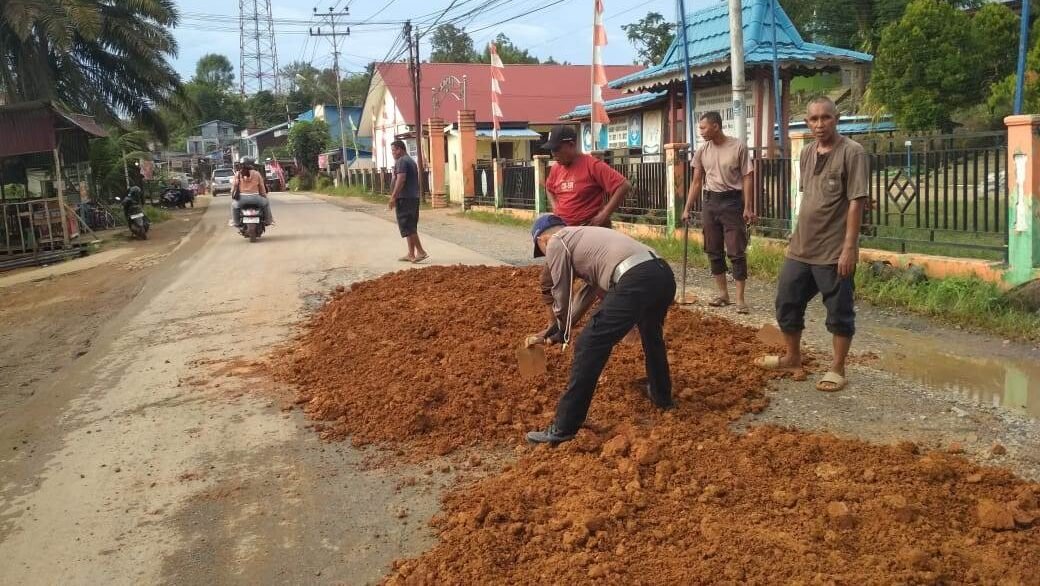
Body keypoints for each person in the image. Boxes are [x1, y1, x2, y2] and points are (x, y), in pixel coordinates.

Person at [525, 214, 676, 445]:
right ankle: (661, 394)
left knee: (589, 343)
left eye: (541, 252)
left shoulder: (557, 240)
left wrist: (562, 332)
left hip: (635, 278)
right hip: (661, 273)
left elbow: (561, 291)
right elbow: (585, 297)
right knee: (650, 332)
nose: (546, 258)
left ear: (542, 240)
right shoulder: (585, 240)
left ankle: (564, 427)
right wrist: (553, 331)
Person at [755, 97, 868, 393]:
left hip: (833, 250)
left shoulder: (852, 153)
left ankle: (837, 367)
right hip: (801, 247)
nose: (819, 124)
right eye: (814, 119)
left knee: (839, 309)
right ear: (807, 123)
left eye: (825, 118)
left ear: (836, 118)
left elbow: (856, 202)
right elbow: (810, 197)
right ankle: (793, 357)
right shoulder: (806, 152)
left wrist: (850, 247)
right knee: (787, 302)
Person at [537, 125, 633, 337]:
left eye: (557, 149)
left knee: (602, 285)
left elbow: (623, 185)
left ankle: (629, 328)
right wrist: (555, 206)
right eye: (551, 151)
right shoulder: (556, 168)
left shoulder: (592, 165)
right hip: (563, 236)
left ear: (571, 145)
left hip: (590, 234)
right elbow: (549, 187)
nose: (554, 155)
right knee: (548, 282)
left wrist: (604, 214)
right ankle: (556, 328)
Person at [681, 111, 756, 313]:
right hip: (710, 201)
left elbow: (748, 177)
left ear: (716, 126)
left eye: (704, 128)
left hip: (732, 202)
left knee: (736, 250)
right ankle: (723, 294)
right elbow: (696, 182)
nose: (701, 132)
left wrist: (748, 206)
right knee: (713, 249)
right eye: (700, 128)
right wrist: (687, 208)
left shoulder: (737, 146)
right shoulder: (702, 151)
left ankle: (740, 299)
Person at [388, 140, 428, 263]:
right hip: (412, 198)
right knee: (409, 225)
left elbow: (401, 179)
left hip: (405, 198)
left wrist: (393, 197)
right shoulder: (409, 160)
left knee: (408, 226)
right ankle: (411, 254)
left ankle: (420, 251)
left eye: (394, 150)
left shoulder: (402, 161)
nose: (392, 153)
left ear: (400, 149)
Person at [230, 157, 272, 227]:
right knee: (266, 203)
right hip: (256, 198)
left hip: (241, 199)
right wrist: (264, 196)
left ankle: (236, 222)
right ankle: (268, 221)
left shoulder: (238, 174)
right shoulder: (257, 174)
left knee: (234, 206)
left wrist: (232, 195)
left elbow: (234, 186)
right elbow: (262, 187)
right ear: (252, 165)